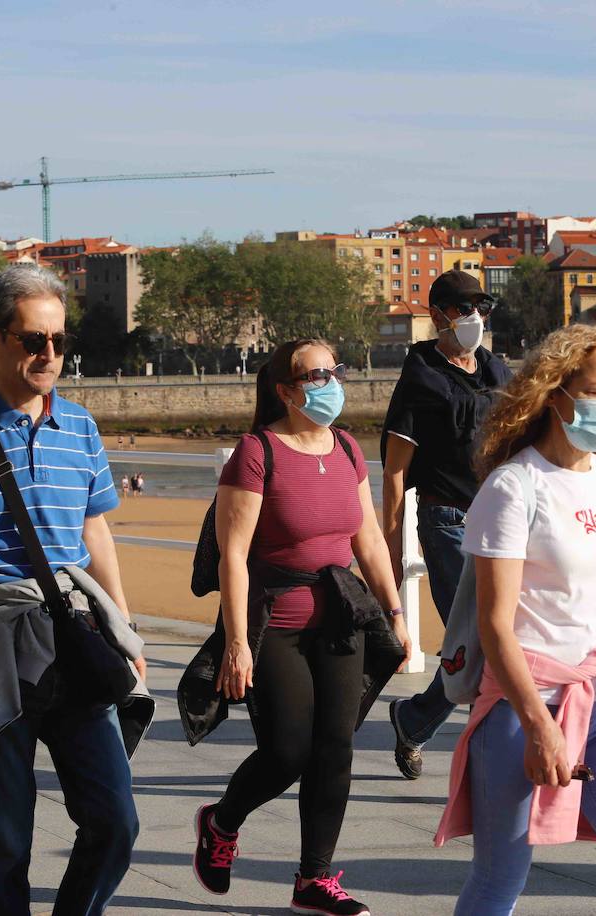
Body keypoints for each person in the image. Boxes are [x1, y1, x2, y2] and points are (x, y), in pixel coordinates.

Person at [0, 264, 144, 916]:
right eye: (32, 339)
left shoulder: (82, 428)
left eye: (59, 341)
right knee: (2, 845)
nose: (49, 354)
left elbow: (96, 533)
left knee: (115, 821)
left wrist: (122, 625)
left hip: (73, 633)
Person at [434, 323, 596, 915]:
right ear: (554, 393)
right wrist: (539, 726)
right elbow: (496, 624)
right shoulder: (513, 487)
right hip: (526, 708)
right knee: (500, 878)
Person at [189, 338, 411, 916]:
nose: (330, 381)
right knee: (287, 752)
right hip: (276, 625)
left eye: (334, 370)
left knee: (336, 749)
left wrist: (395, 613)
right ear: (285, 390)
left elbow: (366, 538)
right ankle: (220, 822)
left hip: (342, 619)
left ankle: (315, 880)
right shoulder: (256, 451)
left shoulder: (345, 447)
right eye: (316, 375)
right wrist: (237, 643)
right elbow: (233, 556)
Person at [381, 269, 513, 780]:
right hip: (447, 522)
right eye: (463, 309)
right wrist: (390, 558)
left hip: (501, 520)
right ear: (437, 316)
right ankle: (495, 765)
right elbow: (394, 474)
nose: (474, 318)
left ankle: (413, 720)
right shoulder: (421, 379)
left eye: (481, 307)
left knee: (473, 645)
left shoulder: (496, 371)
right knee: (481, 637)